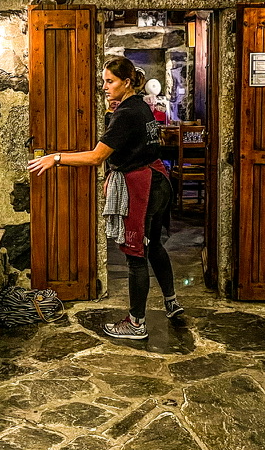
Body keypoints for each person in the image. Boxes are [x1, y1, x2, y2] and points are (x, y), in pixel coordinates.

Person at [28, 57, 182, 340]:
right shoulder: (139, 106)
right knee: (154, 243)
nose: (104, 87)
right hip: (158, 180)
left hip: (143, 186)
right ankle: (171, 303)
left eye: (109, 81)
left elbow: (97, 156)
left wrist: (56, 158)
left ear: (126, 82)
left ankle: (136, 323)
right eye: (103, 81)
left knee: (136, 252)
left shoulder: (127, 113)